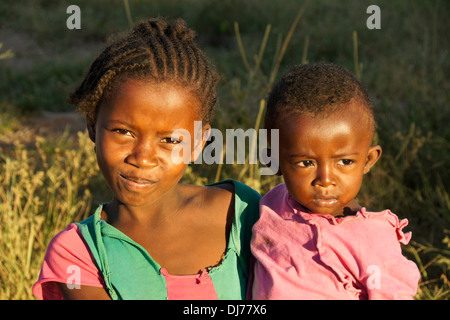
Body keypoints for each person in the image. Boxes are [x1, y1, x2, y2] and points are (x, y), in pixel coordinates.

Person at [32, 18, 260, 300]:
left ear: (199, 142)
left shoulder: (241, 212)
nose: (142, 157)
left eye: (170, 140)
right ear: (92, 125)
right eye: (123, 131)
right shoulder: (78, 253)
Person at [250, 62, 421, 300]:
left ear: (368, 160)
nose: (326, 180)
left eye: (345, 162)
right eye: (306, 163)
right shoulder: (272, 205)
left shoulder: (372, 238)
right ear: (273, 161)